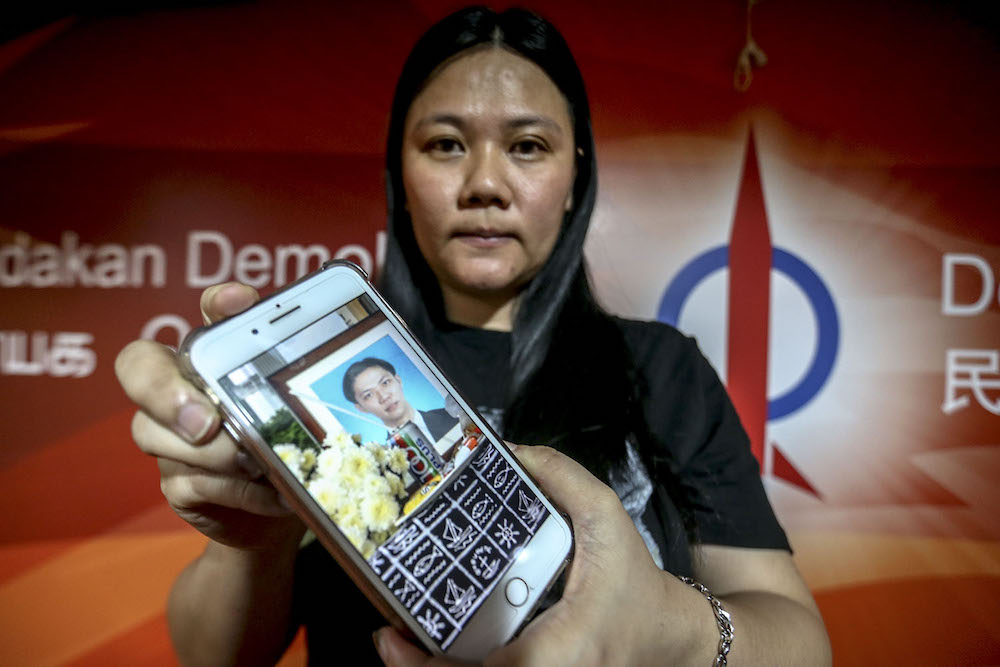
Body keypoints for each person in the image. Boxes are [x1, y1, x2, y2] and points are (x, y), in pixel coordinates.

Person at [116, 6, 832, 666]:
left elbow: (799, 641)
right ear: (400, 171)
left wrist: (670, 625)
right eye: (447, 144)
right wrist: (255, 540)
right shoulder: (329, 384)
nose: (485, 183)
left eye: (527, 146)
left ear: (575, 175)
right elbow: (211, 655)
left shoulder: (663, 369)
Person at [342, 357, 459, 442]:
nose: (383, 397)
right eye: (368, 395)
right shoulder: (390, 462)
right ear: (361, 408)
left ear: (398, 380)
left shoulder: (456, 416)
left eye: (385, 383)